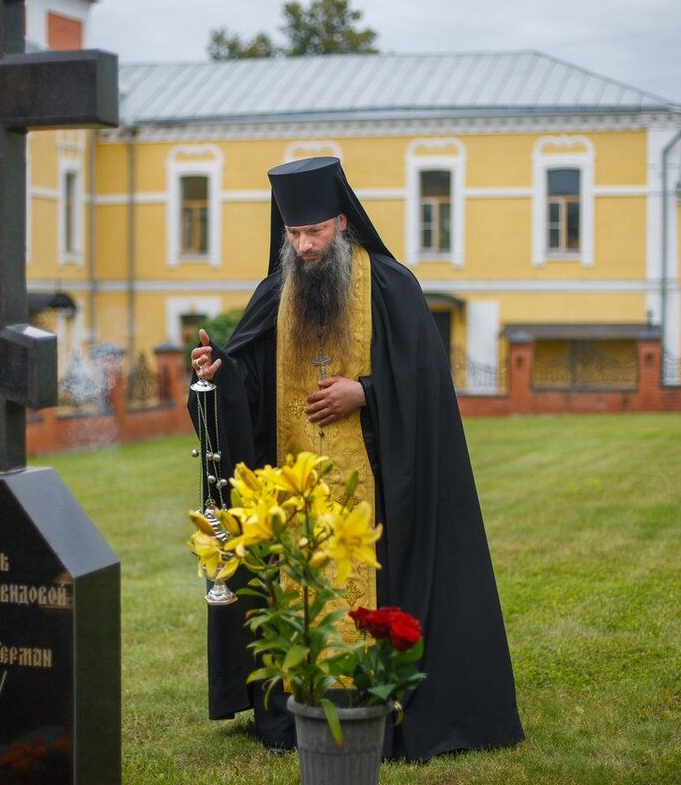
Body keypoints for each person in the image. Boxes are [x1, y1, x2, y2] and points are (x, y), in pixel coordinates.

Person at [188, 156, 523, 761]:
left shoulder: (393, 288)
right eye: (294, 235)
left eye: (314, 232)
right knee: (299, 582)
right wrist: (220, 375)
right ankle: (299, 710)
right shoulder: (276, 293)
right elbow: (250, 386)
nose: (304, 245)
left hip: (375, 495)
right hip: (297, 499)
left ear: (342, 223)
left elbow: (425, 384)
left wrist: (364, 391)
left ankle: (379, 707)